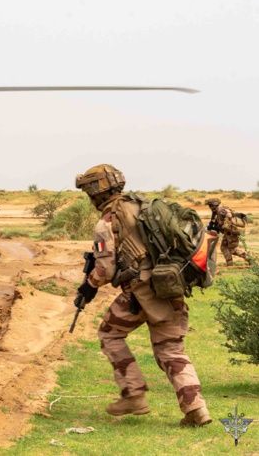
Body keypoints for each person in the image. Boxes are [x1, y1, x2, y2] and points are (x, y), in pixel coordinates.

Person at [75, 164, 211, 426]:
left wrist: (88, 287)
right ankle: (197, 409)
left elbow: (105, 269)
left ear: (96, 191)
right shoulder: (143, 207)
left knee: (109, 333)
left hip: (140, 294)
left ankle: (133, 394)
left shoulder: (108, 221)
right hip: (169, 287)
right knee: (171, 349)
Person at [206, 198, 249, 265]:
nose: (210, 207)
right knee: (223, 247)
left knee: (233, 249)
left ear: (214, 205)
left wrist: (226, 223)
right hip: (227, 233)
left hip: (231, 233)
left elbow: (229, 216)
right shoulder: (216, 212)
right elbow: (214, 222)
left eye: (210, 205)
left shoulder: (221, 211)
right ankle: (230, 264)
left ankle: (249, 259)